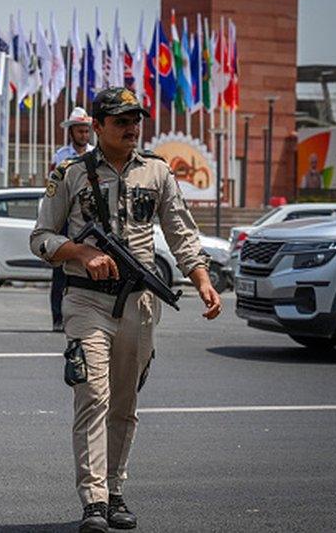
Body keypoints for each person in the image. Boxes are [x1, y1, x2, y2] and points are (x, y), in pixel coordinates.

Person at [29, 88, 221, 533]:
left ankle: (115, 491)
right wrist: (78, 251)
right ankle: (93, 499)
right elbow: (40, 238)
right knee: (92, 395)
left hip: (140, 303)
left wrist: (202, 280)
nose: (131, 127)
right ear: (97, 127)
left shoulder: (157, 171)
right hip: (86, 300)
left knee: (125, 402)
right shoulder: (70, 173)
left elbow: (180, 233)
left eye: (135, 119)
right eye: (120, 120)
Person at [49, 107, 95, 332]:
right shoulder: (60, 156)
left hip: (89, 218)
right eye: (80, 131)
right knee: (60, 269)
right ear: (72, 132)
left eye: (86, 131)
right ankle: (58, 317)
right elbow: (51, 188)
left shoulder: (97, 153)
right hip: (66, 216)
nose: (84, 136)